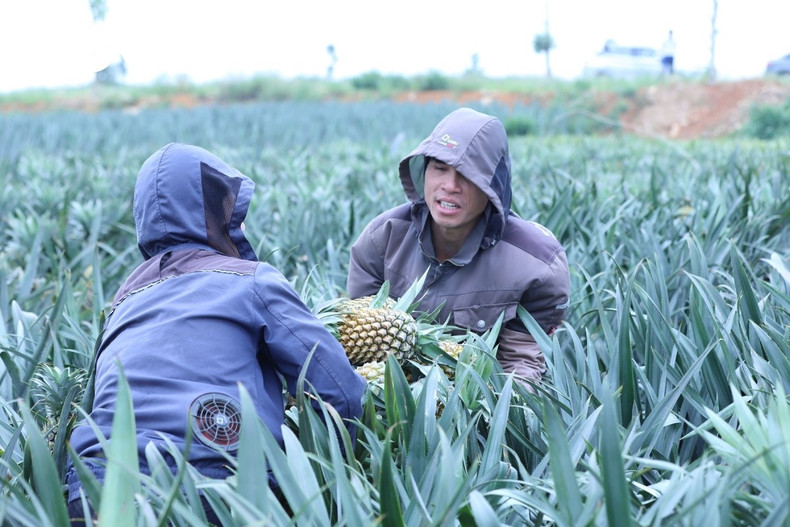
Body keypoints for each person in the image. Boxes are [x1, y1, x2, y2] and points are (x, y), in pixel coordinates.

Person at [65, 143, 366, 524]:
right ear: (211, 214)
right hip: (211, 480)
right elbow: (340, 391)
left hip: (93, 486)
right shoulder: (249, 280)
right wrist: (331, 482)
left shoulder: (122, 301)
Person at [347, 108, 570, 387]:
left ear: (493, 187)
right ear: (425, 171)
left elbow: (521, 366)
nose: (450, 186)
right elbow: (356, 345)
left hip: (478, 404)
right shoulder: (382, 238)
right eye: (440, 168)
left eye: (467, 174)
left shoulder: (538, 265)